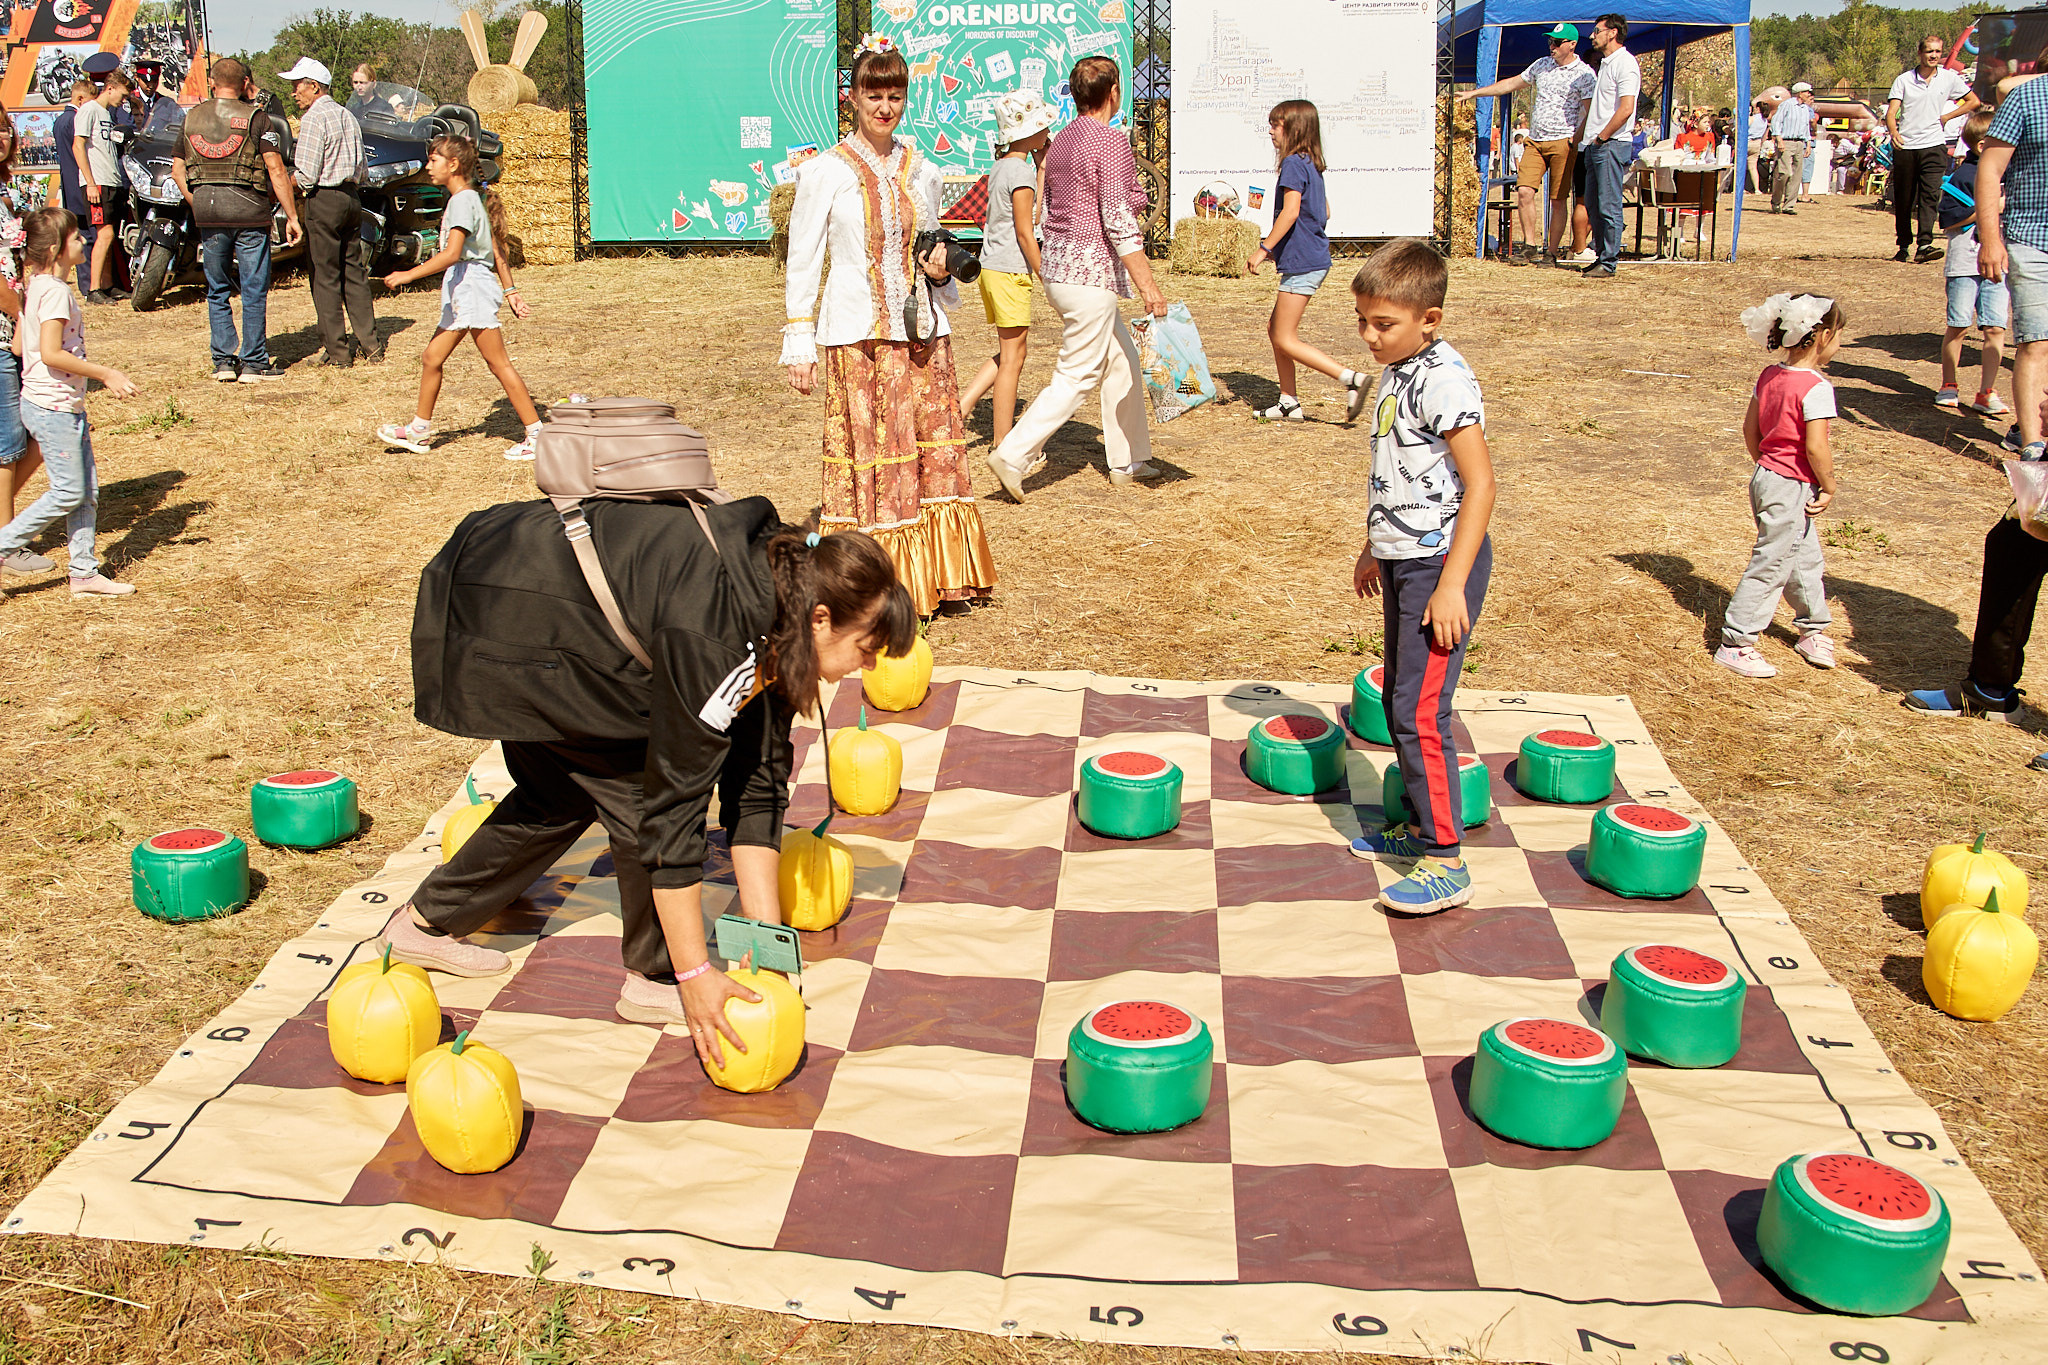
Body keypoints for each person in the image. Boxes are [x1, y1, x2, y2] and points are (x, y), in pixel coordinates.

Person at [392, 501, 917, 1056]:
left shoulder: (782, 604)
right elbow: (675, 805)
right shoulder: (718, 637)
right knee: (634, 791)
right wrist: (697, 973)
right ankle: (659, 978)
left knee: (563, 789)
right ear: (821, 619)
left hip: (538, 599)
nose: (873, 667)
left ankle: (423, 923)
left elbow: (758, 776)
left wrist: (765, 943)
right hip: (503, 608)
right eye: (868, 648)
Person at [781, 39, 998, 616]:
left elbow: (932, 241)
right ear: (852, 98)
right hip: (857, 334)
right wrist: (798, 339)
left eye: (894, 95)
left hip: (921, 330)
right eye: (873, 94)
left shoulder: (920, 166)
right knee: (875, 453)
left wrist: (938, 266)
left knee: (928, 451)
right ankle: (875, 583)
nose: (884, 106)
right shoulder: (825, 171)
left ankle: (938, 578)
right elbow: (804, 258)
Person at [1343, 239, 1497, 915]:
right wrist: (1374, 544)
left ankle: (1446, 859)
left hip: (1441, 565)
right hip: (1405, 556)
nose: (1368, 336)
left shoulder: (1442, 378)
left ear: (1428, 319)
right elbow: (1405, 473)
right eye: (1363, 321)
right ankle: (1418, 828)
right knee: (1406, 700)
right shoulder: (1399, 370)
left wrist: (1451, 583)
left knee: (1417, 710)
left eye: (1384, 324)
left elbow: (1481, 485)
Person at [986, 55, 1170, 498]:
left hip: (1059, 272)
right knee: (1077, 377)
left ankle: (1128, 460)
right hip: (1090, 277)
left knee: (1123, 359)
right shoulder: (1110, 140)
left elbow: (1051, 209)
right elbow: (1119, 220)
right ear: (1113, 94)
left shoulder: (1062, 140)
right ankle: (1012, 454)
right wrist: (1148, 285)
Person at [0, 208, 140, 597]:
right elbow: (50, 353)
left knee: (86, 489)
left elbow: (19, 345)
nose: (84, 242)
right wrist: (104, 373)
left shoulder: (35, 287)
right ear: (58, 250)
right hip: (54, 407)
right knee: (68, 492)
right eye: (77, 238)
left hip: (57, 402)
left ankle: (83, 572)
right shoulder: (57, 293)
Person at [375, 137, 542, 461]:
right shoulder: (468, 199)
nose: (428, 166)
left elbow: (452, 254)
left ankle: (537, 434)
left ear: (453, 165)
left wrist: (407, 275)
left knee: (498, 363)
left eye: (434, 159)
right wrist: (510, 291)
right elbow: (495, 249)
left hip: (471, 288)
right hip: (466, 287)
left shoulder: (464, 201)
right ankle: (419, 431)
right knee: (431, 358)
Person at [1714, 293, 1844, 678]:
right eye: (1838, 334)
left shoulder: (1769, 375)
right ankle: (1736, 643)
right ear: (1819, 336)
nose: (1839, 343)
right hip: (1791, 484)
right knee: (1772, 562)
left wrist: (1767, 466)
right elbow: (1816, 446)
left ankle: (1812, 627)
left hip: (1767, 479)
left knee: (1803, 557)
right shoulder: (1817, 387)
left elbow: (1749, 429)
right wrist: (1829, 484)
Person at [171, 58, 302, 385]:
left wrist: (198, 202)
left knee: (217, 288)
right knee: (253, 288)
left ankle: (224, 363)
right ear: (245, 84)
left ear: (212, 83)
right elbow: (276, 170)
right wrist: (293, 216)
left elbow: (177, 170)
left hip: (210, 215)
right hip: (250, 214)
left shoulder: (191, 118)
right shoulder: (258, 118)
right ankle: (255, 363)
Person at [1247, 99, 1361, 421]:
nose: (1270, 131)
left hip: (1304, 262)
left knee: (1285, 336)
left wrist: (1264, 249)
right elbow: (1324, 211)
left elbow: (1291, 211)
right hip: (1309, 258)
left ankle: (1349, 379)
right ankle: (1288, 402)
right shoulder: (1310, 162)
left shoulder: (1293, 165)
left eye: (1276, 125)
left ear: (1294, 129)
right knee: (1275, 329)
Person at [957, 88, 1057, 449]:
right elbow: (1027, 231)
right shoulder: (1022, 173)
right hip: (1011, 271)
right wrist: (1046, 275)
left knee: (1012, 351)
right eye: (1042, 127)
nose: (1048, 132)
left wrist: (1042, 167)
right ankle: (1003, 441)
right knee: (1014, 357)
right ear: (1026, 133)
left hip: (992, 267)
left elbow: (1029, 214)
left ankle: (963, 406)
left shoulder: (1005, 167)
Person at [1455, 22, 1594, 266]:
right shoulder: (1541, 65)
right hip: (1536, 142)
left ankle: (1550, 252)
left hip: (1564, 141)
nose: (1552, 46)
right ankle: (1530, 246)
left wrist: (1576, 138)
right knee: (1525, 191)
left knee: (1558, 200)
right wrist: (1475, 93)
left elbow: (1589, 111)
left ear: (1572, 45)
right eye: (1550, 41)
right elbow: (1511, 83)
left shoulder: (1584, 74)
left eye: (1557, 42)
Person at [1978, 46, 2048, 465]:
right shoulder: (2026, 97)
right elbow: (1989, 170)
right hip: (2032, 237)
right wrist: (1991, 239)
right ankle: (2034, 446)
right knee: (2035, 342)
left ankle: (2028, 423)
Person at [286, 57, 378, 368]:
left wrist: (285, 183)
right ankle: (371, 344)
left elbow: (307, 175)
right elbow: (363, 169)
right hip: (352, 198)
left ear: (314, 87)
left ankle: (339, 353)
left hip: (324, 200)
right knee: (354, 272)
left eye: (298, 86)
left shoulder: (313, 119)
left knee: (324, 278)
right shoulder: (348, 115)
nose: (293, 92)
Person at [1935, 113, 2010, 418]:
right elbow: (1948, 220)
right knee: (1959, 325)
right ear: (1982, 144)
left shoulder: (2011, 175)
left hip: (2000, 265)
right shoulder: (1961, 177)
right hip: (1965, 263)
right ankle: (1948, 384)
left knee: (1995, 327)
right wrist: (1988, 208)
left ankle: (1986, 391)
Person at [1888, 34, 1982, 264]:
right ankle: (1903, 244)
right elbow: (1892, 112)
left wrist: (1948, 116)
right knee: (1904, 197)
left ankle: (1925, 244)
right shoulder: (1904, 80)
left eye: (1938, 52)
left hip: (1934, 144)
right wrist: (1894, 132)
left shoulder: (1949, 78)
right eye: (1929, 51)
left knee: (1930, 195)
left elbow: (1974, 101)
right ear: (1920, 53)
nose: (1933, 56)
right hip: (1907, 145)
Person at [0, 120, 47, 566]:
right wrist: (19, 318)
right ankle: (7, 542)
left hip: (14, 326)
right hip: (4, 330)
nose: (1, 137)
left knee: (29, 432)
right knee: (11, 439)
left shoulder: (5, 190)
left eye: (3, 128)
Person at [1576, 14, 1639, 279]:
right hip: (1595, 145)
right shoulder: (1606, 64)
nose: (1592, 36)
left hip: (1611, 144)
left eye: (1597, 31)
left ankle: (1609, 261)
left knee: (1608, 204)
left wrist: (1603, 136)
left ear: (1612, 33)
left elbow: (1626, 108)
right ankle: (1601, 255)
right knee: (1592, 203)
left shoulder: (1625, 63)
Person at [73, 67, 129, 304]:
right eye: (123, 95)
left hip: (111, 180)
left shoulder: (107, 114)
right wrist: (91, 183)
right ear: (110, 88)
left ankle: (107, 285)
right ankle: (94, 289)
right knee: (103, 234)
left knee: (110, 235)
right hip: (97, 183)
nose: (123, 100)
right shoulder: (89, 110)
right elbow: (78, 146)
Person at [1769, 83, 1816, 215]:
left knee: (1796, 175)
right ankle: (1776, 201)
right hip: (1786, 141)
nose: (1809, 95)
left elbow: (1805, 127)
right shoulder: (1787, 104)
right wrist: (1779, 139)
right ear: (1800, 93)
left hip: (1800, 143)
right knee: (1784, 173)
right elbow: (1776, 121)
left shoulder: (1805, 109)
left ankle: (1789, 205)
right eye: (1807, 92)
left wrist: (1808, 144)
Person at [1746, 99, 1769, 195]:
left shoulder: (1752, 118)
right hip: (1757, 143)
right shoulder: (1765, 121)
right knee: (1753, 167)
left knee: (1741, 166)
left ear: (1758, 108)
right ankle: (1757, 189)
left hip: (1748, 142)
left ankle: (1740, 187)